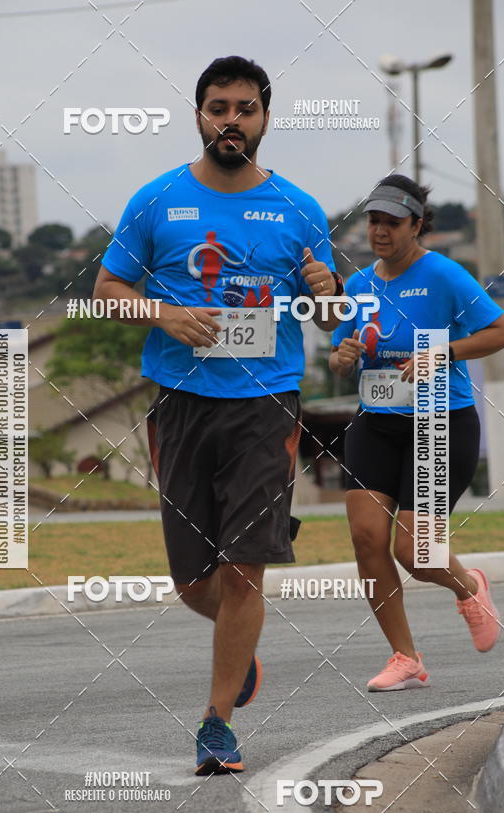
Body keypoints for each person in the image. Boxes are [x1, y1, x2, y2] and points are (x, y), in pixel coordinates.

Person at [92, 56, 345, 772]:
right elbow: (110, 288)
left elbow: (329, 319)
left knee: (243, 574)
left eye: (245, 108)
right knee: (192, 582)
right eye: (217, 107)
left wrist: (327, 290)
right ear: (198, 114)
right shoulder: (156, 200)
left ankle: (216, 722)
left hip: (267, 405)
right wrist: (163, 312)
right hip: (179, 402)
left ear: (266, 117)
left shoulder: (299, 210)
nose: (230, 120)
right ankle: (242, 657)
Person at [329, 173, 504, 692]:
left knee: (414, 554)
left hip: (440, 418)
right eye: (373, 220)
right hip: (376, 421)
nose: (380, 230)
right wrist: (341, 356)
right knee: (367, 538)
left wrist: (445, 351)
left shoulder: (444, 276)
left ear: (417, 224)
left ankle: (468, 585)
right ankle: (404, 656)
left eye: (392, 221)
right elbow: (344, 351)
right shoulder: (361, 285)